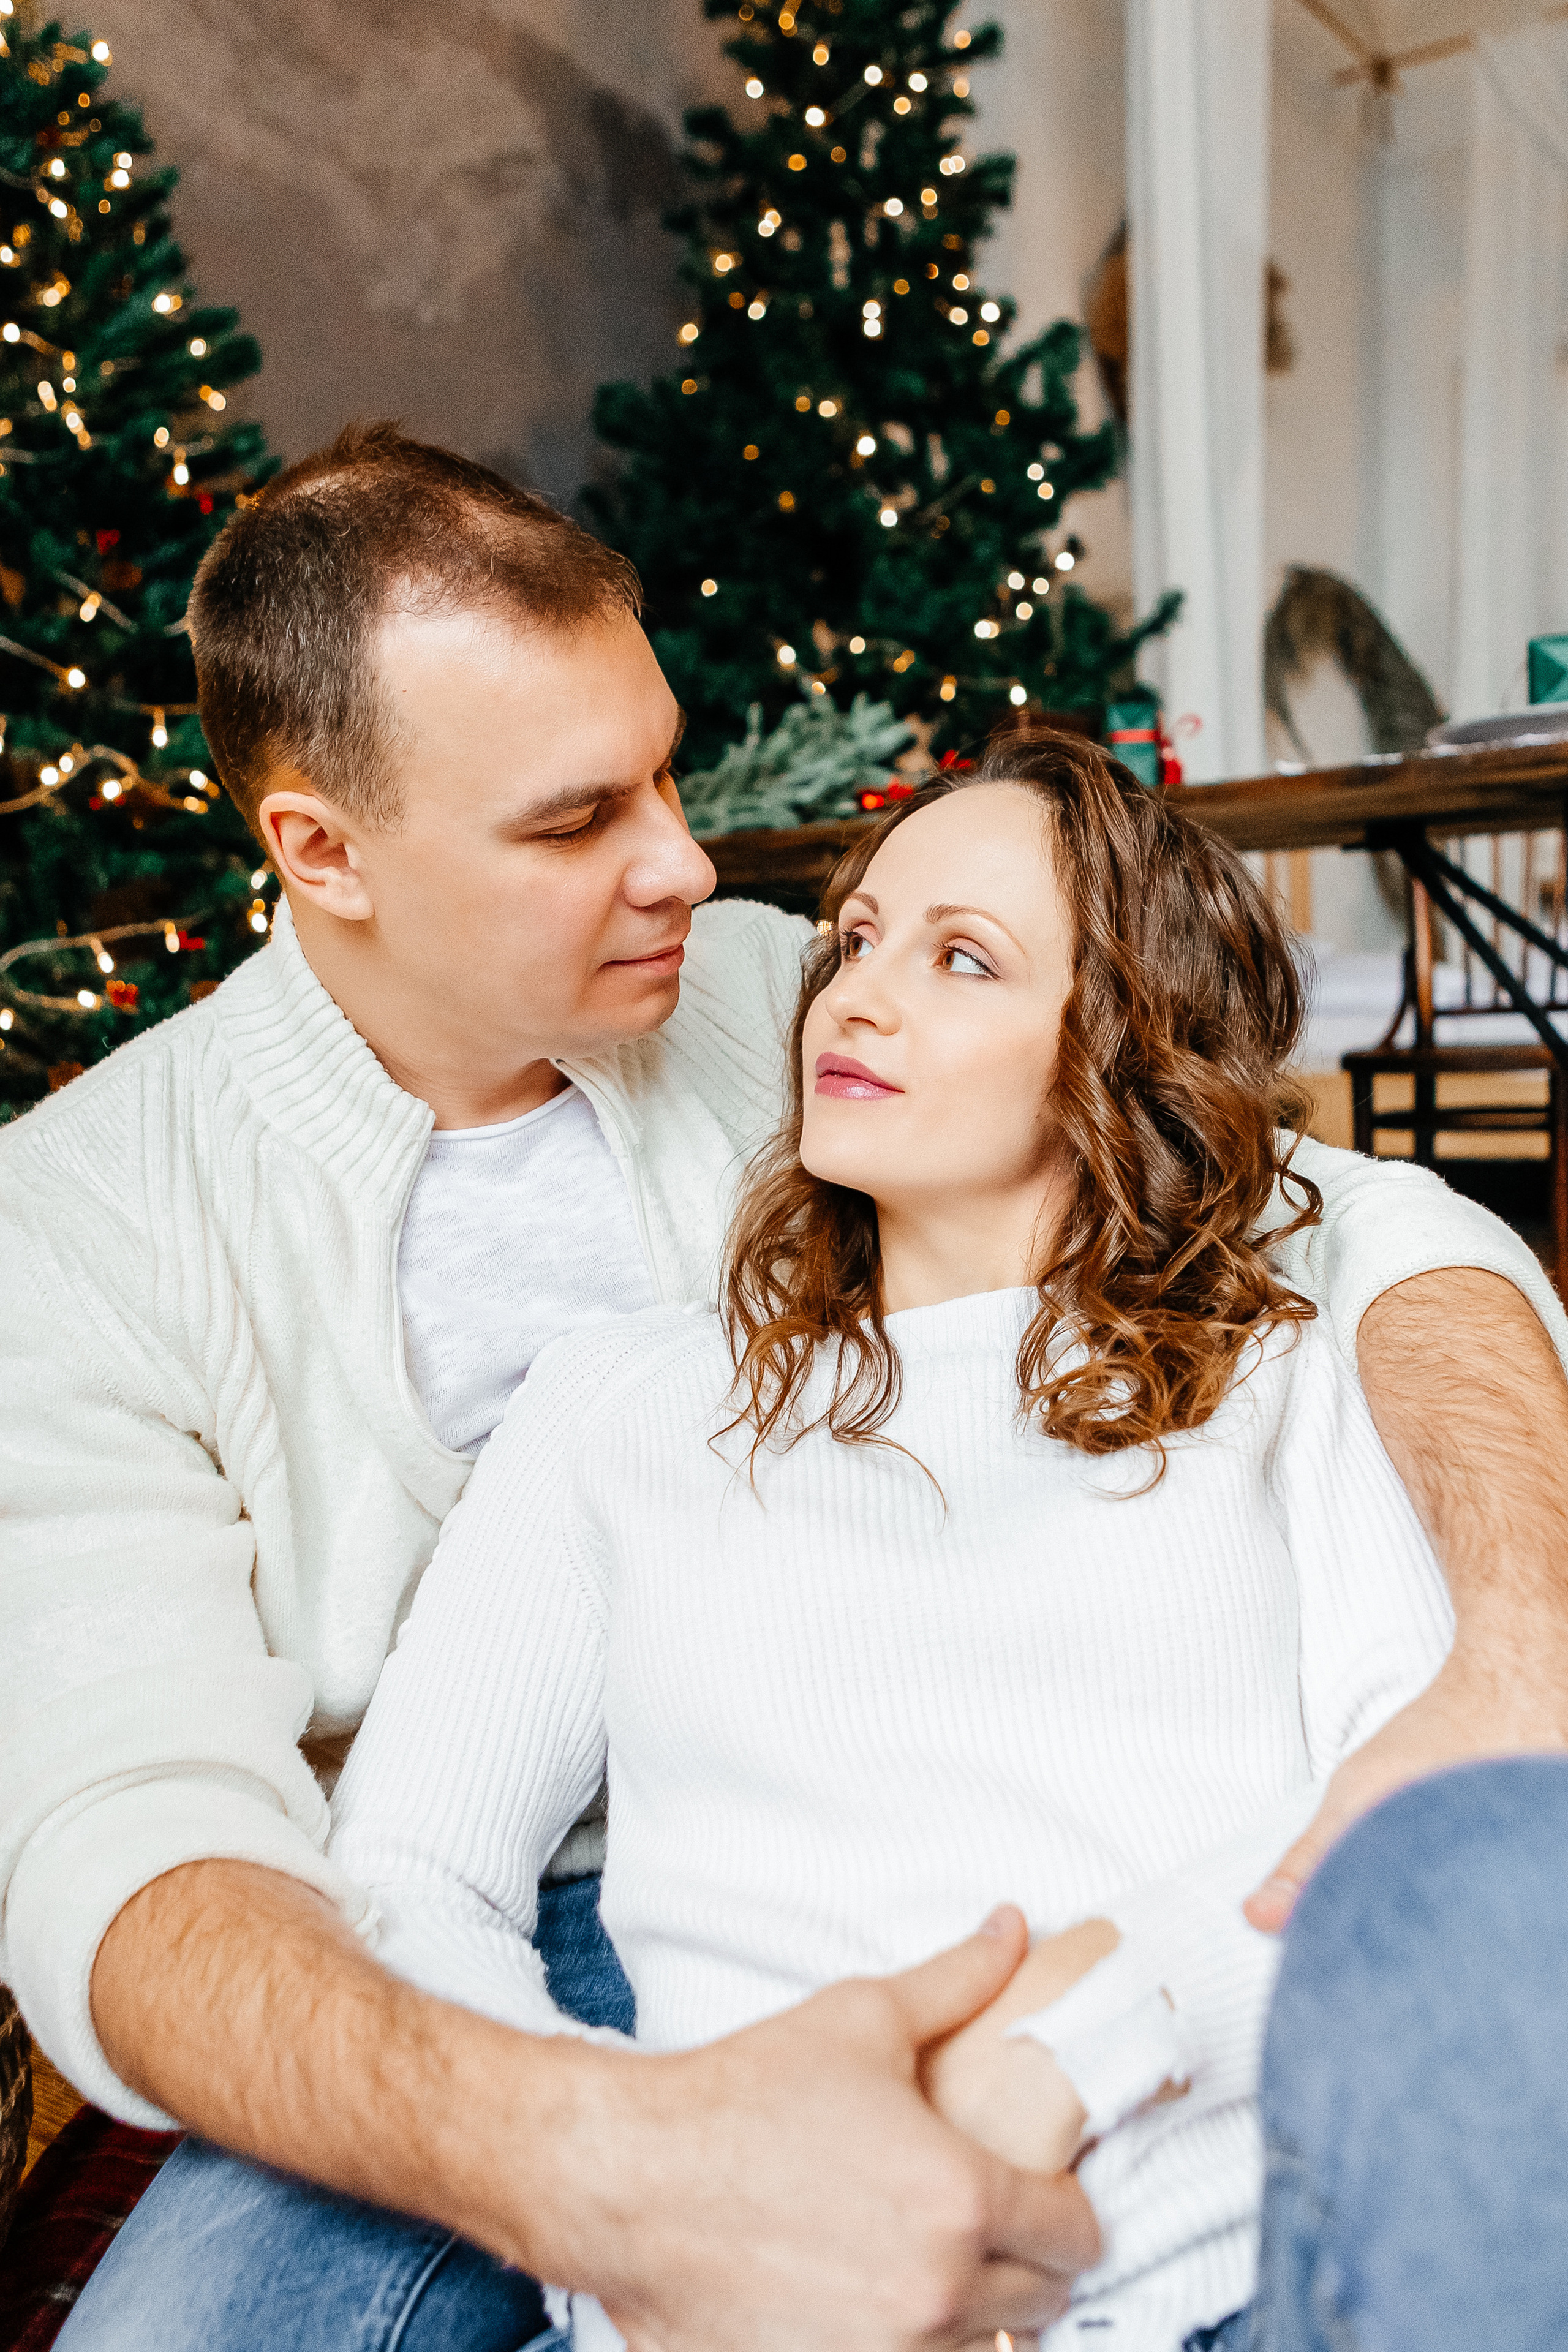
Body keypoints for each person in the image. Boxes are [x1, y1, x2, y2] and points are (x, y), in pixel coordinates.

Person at [4, 425, 1566, 2352]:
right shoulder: (90, 1222)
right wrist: (640, 2194)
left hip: (1070, 1997)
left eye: (666, 769)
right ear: (324, 852)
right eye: (578, 823)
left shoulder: (770, 1000)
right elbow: (150, 1853)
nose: (693, 864)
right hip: (407, 1950)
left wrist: (1526, 1630)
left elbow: (1333, 1217)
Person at [322, 745, 1562, 2351]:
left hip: (1221, 2292)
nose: (858, 994)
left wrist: (1056, 2061)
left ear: (1115, 1047)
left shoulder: (1296, 1364)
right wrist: (643, 2212)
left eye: (961, 956)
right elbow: (410, 1873)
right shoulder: (620, 1405)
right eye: (854, 937)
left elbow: (1423, 1855)